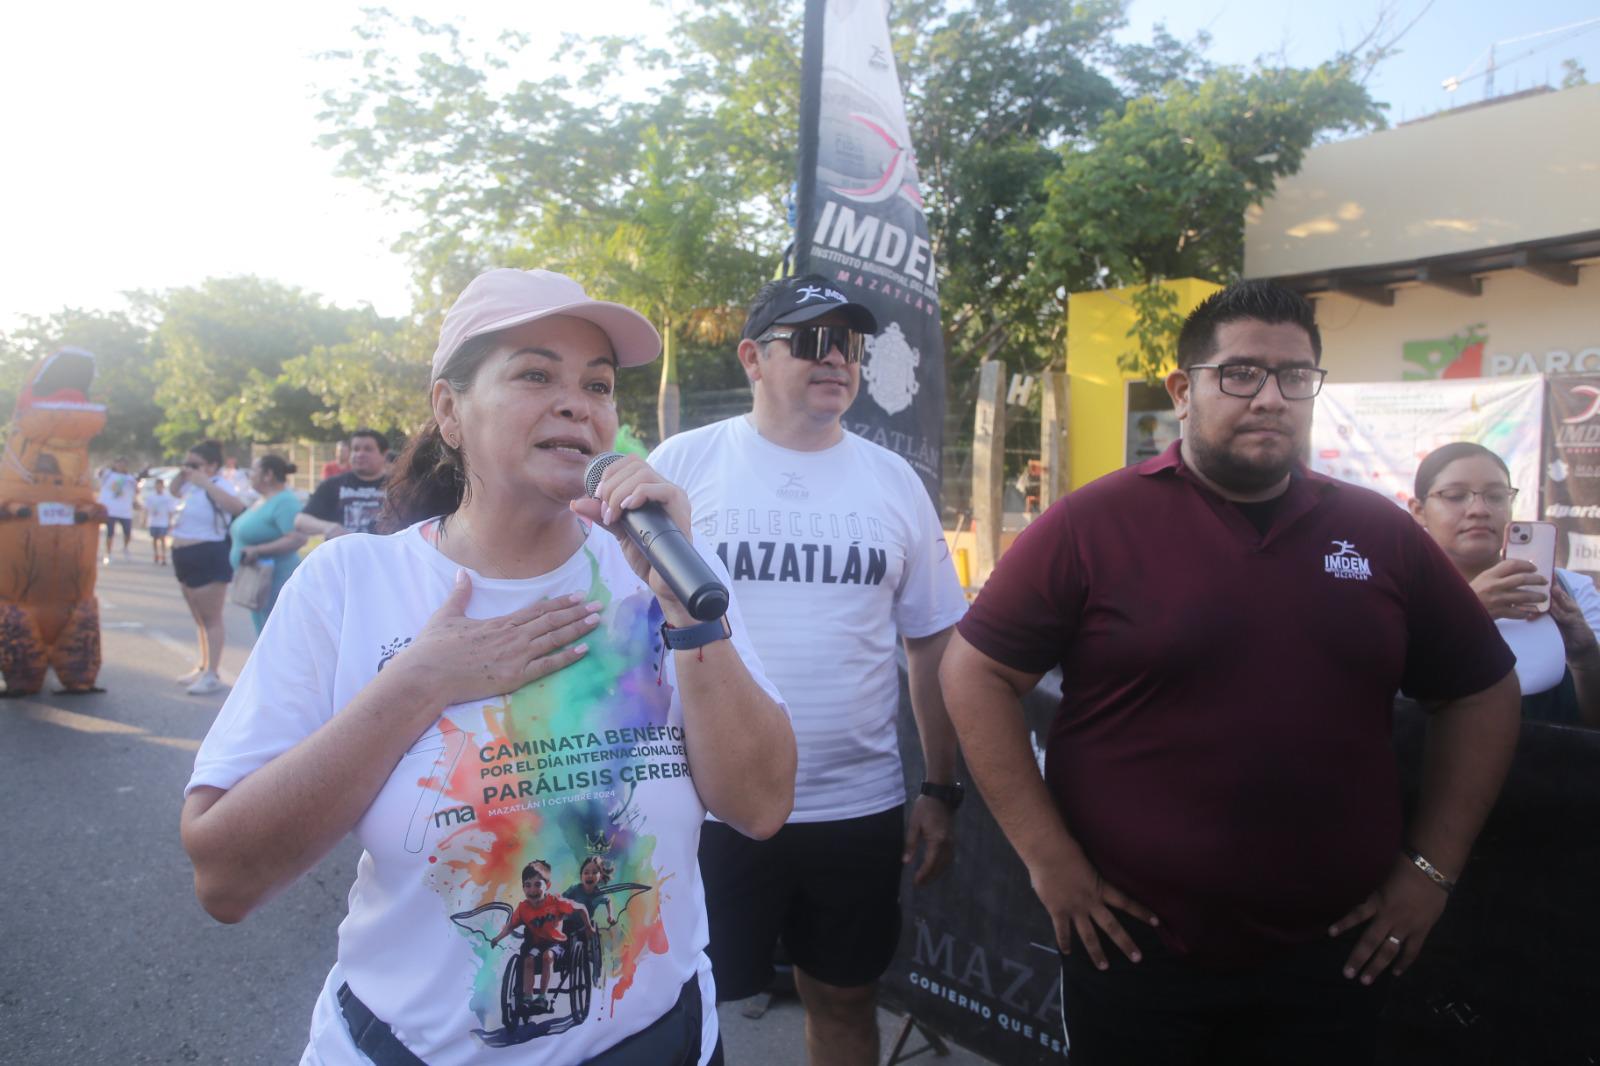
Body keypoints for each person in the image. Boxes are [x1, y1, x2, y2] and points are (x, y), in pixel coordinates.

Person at [180, 267, 795, 1065]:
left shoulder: (666, 577)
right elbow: (224, 877)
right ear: (449, 410)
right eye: (535, 374)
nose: (577, 402)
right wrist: (419, 683)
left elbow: (760, 805)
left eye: (598, 385)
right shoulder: (351, 584)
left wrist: (686, 617)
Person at [939, 280, 1522, 1066]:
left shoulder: (1377, 532)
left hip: (1337, 956)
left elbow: (1481, 690)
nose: (1272, 398)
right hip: (1134, 951)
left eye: (1296, 377)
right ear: (1184, 389)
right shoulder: (1091, 525)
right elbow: (974, 673)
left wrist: (1431, 872)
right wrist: (1049, 860)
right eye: (1241, 374)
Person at [649, 273, 967, 1066]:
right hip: (706, 808)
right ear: (753, 357)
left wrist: (939, 788)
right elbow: (627, 631)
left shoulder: (894, 481)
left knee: (845, 998)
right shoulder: (682, 464)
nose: (838, 360)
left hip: (854, 807)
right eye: (814, 342)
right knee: (682, 1007)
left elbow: (931, 644)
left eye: (852, 345)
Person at [1409, 441, 1600, 727]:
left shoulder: (1570, 591)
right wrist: (1465, 614)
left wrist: (1585, 656)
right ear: (1419, 510)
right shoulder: (1396, 595)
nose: (1479, 510)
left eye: (1496, 496)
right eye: (1455, 496)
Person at [171, 440, 246, 696]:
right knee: (198, 616)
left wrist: (204, 482)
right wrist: (183, 476)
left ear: (212, 466)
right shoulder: (189, 487)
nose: (189, 469)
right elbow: (172, 492)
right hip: (184, 554)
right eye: (187, 464)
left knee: (211, 617)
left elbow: (238, 508)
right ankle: (203, 665)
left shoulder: (219, 485)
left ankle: (213, 673)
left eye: (195, 465)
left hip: (208, 553)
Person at [491, 860, 594, 1015]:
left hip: (556, 944)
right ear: (523, 887)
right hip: (536, 944)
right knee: (528, 960)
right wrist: (497, 938)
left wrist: (588, 927)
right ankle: (527, 998)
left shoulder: (556, 902)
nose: (532, 890)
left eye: (537, 885)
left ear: (548, 886)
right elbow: (510, 926)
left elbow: (581, 908)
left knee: (547, 956)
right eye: (528, 885)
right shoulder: (523, 908)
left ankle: (542, 997)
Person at [228, 453, 307, 633]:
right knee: (264, 632)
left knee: (276, 633)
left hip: (275, 580)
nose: (250, 475)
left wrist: (258, 550)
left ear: (268, 474)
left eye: (254, 470)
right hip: (258, 581)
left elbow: (298, 538)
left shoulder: (285, 502)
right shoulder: (264, 499)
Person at [296, 429, 389, 539]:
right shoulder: (332, 485)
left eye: (368, 449)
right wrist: (328, 527)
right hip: (342, 554)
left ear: (384, 454)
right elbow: (301, 520)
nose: (360, 454)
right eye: (355, 449)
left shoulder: (400, 486)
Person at [98, 456, 136, 563]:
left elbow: (134, 491)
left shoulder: (130, 478)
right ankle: (108, 553)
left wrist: (135, 502)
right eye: (118, 463)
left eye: (123, 464)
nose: (121, 466)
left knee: (128, 533)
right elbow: (99, 474)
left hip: (125, 511)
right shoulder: (108, 474)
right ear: (115, 464)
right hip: (110, 510)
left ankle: (125, 548)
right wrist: (103, 466)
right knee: (110, 533)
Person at [143, 477, 176, 565]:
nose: (159, 487)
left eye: (160, 486)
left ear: (163, 487)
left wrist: (170, 521)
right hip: (153, 521)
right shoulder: (151, 497)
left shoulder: (167, 498)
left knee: (162, 538)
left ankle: (163, 555)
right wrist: (144, 520)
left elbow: (170, 510)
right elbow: (146, 509)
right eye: (157, 485)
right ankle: (156, 554)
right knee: (154, 539)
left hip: (163, 522)